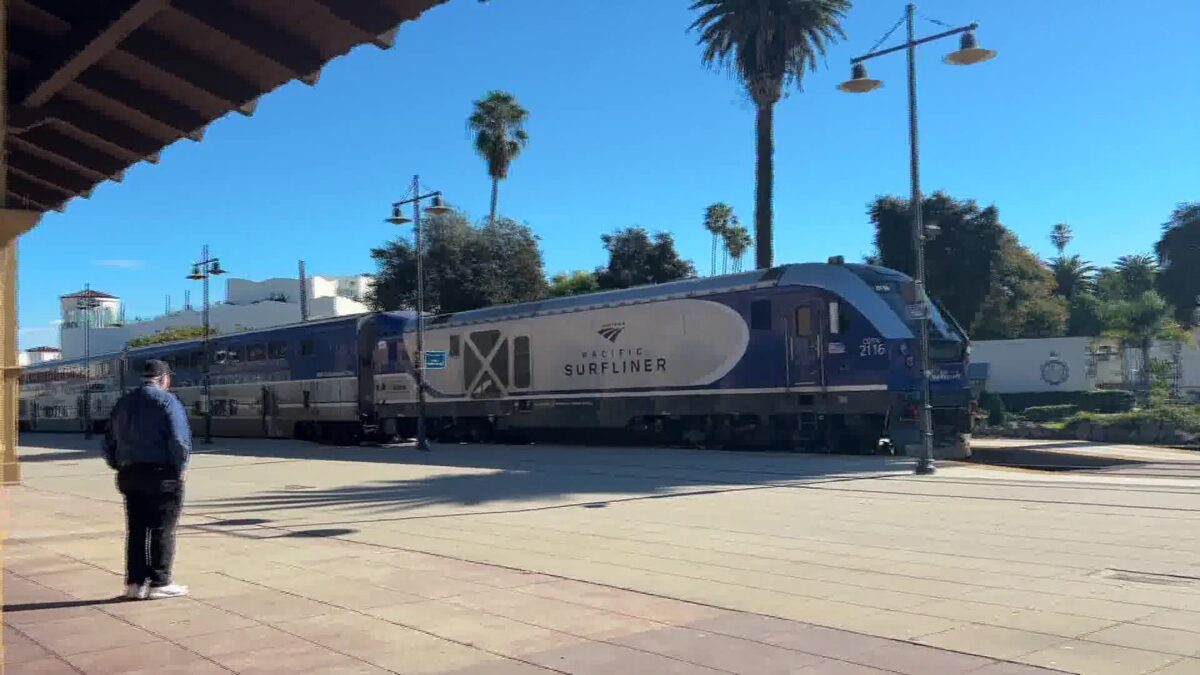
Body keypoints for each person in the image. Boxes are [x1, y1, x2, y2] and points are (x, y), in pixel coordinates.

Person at [103, 359, 191, 600]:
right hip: (161, 473)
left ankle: (134, 584)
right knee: (162, 528)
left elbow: (108, 441)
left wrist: (118, 464)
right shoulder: (167, 400)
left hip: (129, 474)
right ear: (163, 378)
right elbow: (179, 439)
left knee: (136, 530)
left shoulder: (123, 403)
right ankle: (160, 581)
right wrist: (181, 467)